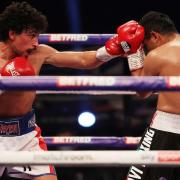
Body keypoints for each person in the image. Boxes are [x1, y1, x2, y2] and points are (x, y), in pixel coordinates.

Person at [0, 1, 143, 180]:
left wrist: (110, 50)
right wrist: (7, 82)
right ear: (12, 34)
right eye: (32, 36)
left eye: (38, 36)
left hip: (25, 136)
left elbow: (83, 60)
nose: (36, 43)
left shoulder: (38, 54)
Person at [114, 11, 180, 179]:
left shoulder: (159, 55)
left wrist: (133, 51)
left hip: (166, 129)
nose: (147, 50)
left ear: (155, 36)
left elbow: (142, 90)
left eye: (145, 45)